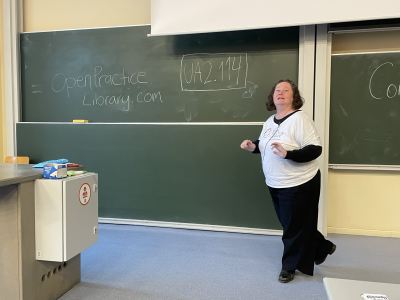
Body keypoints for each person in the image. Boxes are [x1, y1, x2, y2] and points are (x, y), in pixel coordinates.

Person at [240, 79, 336, 283]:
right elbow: (265, 144)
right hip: (275, 181)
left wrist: (288, 154)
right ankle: (322, 247)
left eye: (286, 90)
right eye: (277, 90)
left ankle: (289, 267)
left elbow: (315, 149)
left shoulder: (300, 119)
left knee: (292, 227)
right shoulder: (270, 120)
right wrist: (253, 147)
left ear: (294, 97)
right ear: (272, 97)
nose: (280, 92)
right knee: (292, 223)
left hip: (299, 181)